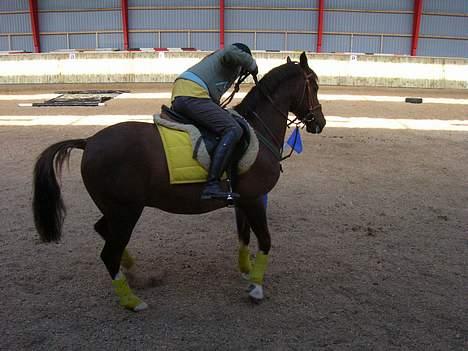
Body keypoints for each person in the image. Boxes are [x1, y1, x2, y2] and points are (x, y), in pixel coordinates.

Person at [171, 43, 258, 201]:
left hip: (184, 93)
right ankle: (212, 185)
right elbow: (231, 50)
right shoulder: (228, 56)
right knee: (233, 129)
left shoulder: (214, 67)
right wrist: (252, 63)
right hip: (193, 95)